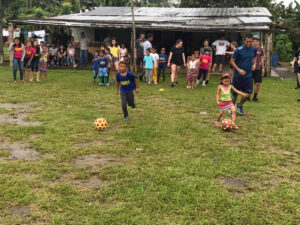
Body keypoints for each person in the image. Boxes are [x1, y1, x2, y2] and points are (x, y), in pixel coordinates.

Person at [230, 34, 257, 115]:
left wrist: (254, 64)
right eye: (247, 41)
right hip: (238, 76)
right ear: (244, 41)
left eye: (250, 42)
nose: (248, 43)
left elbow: (254, 57)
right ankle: (232, 108)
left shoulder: (254, 49)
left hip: (248, 75)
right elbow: (232, 61)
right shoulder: (238, 50)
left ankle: (240, 105)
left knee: (248, 94)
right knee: (235, 94)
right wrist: (238, 70)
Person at [252, 35, 265, 102]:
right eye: (253, 41)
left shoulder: (260, 49)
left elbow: (262, 59)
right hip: (250, 68)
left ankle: (255, 97)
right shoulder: (249, 48)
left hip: (258, 68)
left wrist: (263, 68)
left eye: (256, 41)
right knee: (249, 83)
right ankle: (247, 95)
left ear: (258, 41)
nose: (254, 42)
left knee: (257, 83)